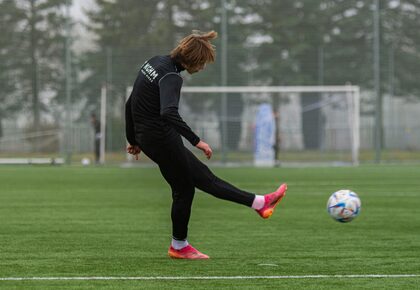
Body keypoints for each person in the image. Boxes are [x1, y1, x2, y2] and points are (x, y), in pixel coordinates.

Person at [125, 30, 287, 260]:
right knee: (194, 184)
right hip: (161, 138)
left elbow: (130, 102)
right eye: (202, 63)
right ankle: (181, 245)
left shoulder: (154, 62)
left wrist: (133, 138)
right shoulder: (172, 77)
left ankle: (257, 204)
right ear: (192, 60)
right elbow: (168, 112)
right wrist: (197, 141)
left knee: (194, 183)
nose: (202, 68)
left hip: (150, 138)